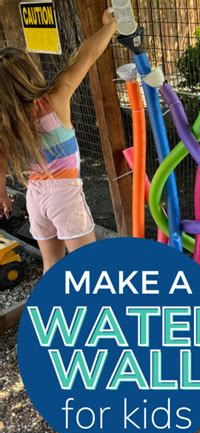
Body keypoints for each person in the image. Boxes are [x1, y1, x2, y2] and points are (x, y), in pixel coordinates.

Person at [0, 10, 117, 273]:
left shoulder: (5, 124)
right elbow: (87, 55)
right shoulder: (55, 99)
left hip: (35, 197)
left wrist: (3, 195)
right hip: (64, 195)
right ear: (29, 73)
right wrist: (110, 27)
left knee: (52, 265)